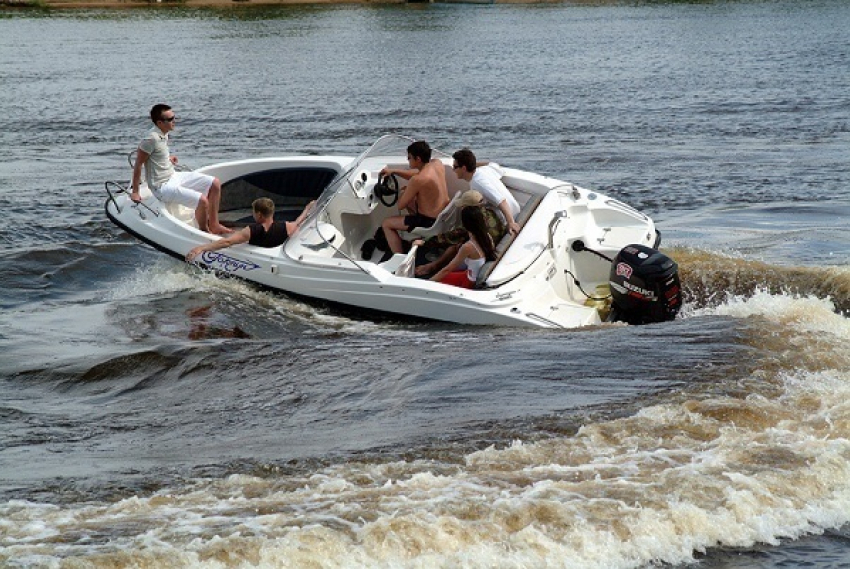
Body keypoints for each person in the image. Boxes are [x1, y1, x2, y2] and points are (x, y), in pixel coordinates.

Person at [130, 104, 231, 235]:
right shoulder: (150, 139)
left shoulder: (164, 134)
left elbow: (157, 155)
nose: (174, 121)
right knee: (202, 201)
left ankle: (214, 224)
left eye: (174, 117)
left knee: (215, 183)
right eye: (171, 119)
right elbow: (138, 164)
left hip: (173, 176)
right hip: (161, 187)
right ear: (160, 123)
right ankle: (204, 231)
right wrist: (135, 192)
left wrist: (168, 159)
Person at [185, 197, 315, 262]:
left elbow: (227, 243)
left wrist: (201, 248)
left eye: (253, 212)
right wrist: (307, 209)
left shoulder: (252, 230)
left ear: (259, 214)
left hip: (255, 258)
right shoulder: (288, 227)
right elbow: (299, 221)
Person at [380, 140, 450, 254]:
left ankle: (399, 257)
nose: (408, 160)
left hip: (429, 222)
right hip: (443, 215)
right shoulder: (437, 164)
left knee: (387, 224)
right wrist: (394, 171)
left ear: (418, 159)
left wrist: (404, 192)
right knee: (412, 199)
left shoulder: (417, 180)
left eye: (409, 158)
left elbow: (401, 205)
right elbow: (419, 175)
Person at [414, 190, 505, 278]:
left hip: (481, 253)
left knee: (454, 247)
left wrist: (424, 242)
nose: (461, 208)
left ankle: (433, 267)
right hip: (491, 247)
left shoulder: (473, 223)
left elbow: (449, 237)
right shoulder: (491, 213)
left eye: (463, 206)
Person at [452, 148, 521, 236]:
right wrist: (471, 164)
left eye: (455, 167)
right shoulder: (485, 170)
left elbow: (501, 201)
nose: (453, 170)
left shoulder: (478, 183)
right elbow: (493, 164)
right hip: (516, 210)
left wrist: (511, 222)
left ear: (464, 168)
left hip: (505, 220)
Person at [427, 206, 496, 289]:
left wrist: (428, 283)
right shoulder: (488, 237)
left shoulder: (468, 247)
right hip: (472, 275)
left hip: (468, 282)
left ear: (465, 224)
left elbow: (447, 269)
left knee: (440, 278)